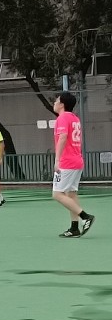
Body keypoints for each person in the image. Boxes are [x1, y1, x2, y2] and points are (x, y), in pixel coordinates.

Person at [52, 92, 94, 238]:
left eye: (57, 100)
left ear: (62, 104)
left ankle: (85, 217)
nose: (54, 103)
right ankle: (74, 228)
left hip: (67, 162)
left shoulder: (62, 118)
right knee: (71, 194)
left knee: (57, 194)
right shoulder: (75, 118)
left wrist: (57, 160)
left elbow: (63, 137)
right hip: (77, 161)